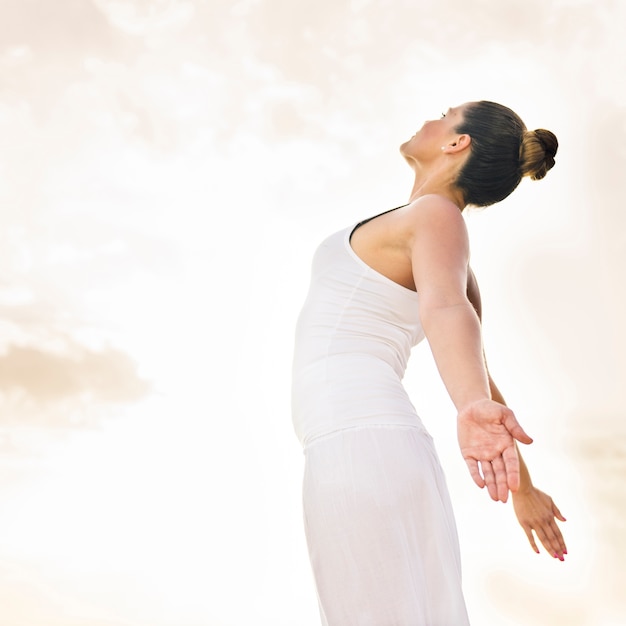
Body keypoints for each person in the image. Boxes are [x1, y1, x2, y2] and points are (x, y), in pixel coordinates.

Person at [291, 100, 567, 626]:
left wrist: (468, 408)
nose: (430, 118)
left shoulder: (437, 215)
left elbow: (446, 312)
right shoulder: (430, 228)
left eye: (445, 114)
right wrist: (523, 489)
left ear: (456, 142)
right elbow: (479, 372)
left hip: (360, 440)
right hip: (359, 442)